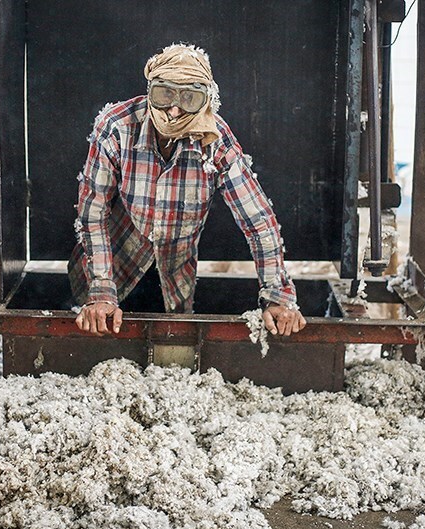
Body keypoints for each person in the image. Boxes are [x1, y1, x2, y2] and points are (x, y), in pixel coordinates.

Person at [69, 44, 305, 337]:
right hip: (108, 272)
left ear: (205, 100)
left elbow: (258, 221)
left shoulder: (215, 140)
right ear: (149, 89)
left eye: (189, 97)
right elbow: (93, 214)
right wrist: (101, 291)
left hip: (175, 284)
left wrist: (277, 295)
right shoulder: (117, 126)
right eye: (164, 93)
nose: (175, 109)